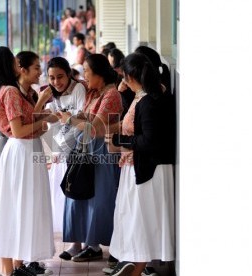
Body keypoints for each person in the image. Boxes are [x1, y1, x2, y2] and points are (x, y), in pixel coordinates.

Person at [0, 48, 57, 276]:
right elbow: (19, 131)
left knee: (22, 207)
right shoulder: (10, 92)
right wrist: (42, 120)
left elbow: (26, 126)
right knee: (14, 208)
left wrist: (41, 118)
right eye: (13, 61)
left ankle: (16, 267)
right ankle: (8, 270)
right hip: (20, 152)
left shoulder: (15, 91)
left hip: (26, 151)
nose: (16, 64)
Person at [105, 53, 176, 276]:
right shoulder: (142, 97)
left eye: (123, 76)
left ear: (129, 76)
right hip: (138, 167)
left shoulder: (150, 101)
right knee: (134, 219)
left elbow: (150, 140)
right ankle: (133, 263)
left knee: (141, 220)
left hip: (148, 170)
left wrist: (120, 140)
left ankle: (136, 266)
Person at [57, 54, 123, 263]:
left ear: (99, 74)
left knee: (97, 199)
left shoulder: (111, 95)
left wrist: (70, 119)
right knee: (78, 195)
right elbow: (87, 119)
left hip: (99, 152)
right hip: (85, 151)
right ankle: (80, 242)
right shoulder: (95, 92)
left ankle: (93, 245)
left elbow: (94, 129)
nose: (84, 75)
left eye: (87, 71)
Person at [42, 56, 86, 233]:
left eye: (60, 77)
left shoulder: (78, 89)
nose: (56, 82)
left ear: (69, 74)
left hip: (75, 149)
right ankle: (69, 235)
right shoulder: (53, 93)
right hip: (60, 148)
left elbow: (81, 119)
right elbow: (53, 118)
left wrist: (63, 117)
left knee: (74, 193)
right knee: (61, 193)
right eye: (51, 78)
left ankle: (79, 239)